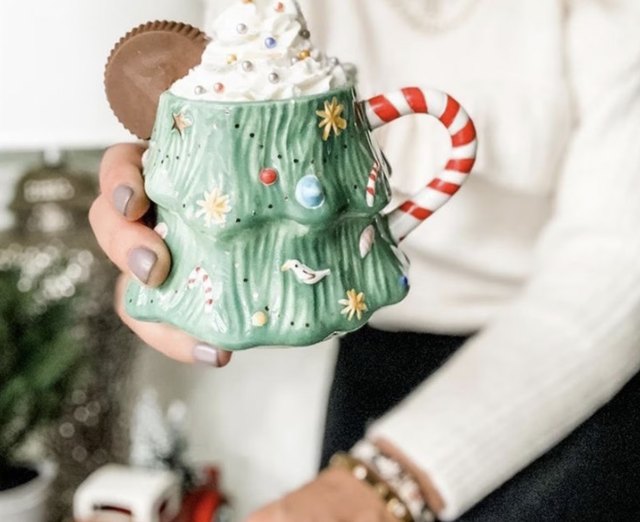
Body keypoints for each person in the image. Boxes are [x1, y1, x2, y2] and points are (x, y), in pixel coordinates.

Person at [89, 0, 640, 519]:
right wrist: (167, 241)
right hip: (370, 351)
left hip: (579, 367)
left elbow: (618, 265)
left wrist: (385, 483)